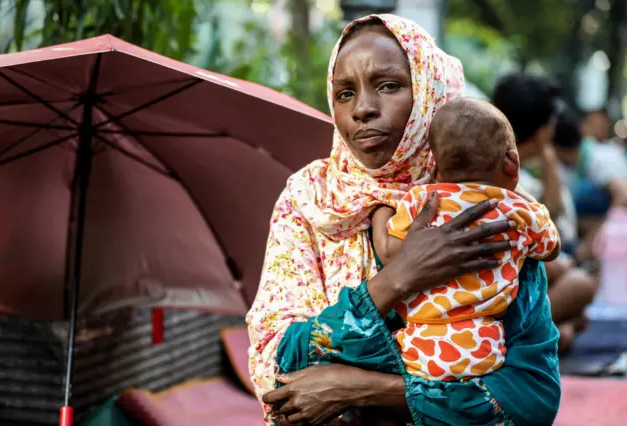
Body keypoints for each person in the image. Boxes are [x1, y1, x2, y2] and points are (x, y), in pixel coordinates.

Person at [247, 15, 561, 426]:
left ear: (430, 91)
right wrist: (396, 281)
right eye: (344, 93)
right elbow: (275, 371)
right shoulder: (308, 201)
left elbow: (533, 397)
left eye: (389, 85)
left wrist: (358, 387)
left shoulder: (485, 206)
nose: (362, 109)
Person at [371, 98, 560, 386]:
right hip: (482, 350)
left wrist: (379, 210)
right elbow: (552, 247)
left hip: (418, 347)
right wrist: (520, 193)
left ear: (437, 166)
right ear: (511, 163)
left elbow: (391, 252)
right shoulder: (518, 212)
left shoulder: (421, 200)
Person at [492, 73, 596, 351]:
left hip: (499, 289)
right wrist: (565, 265)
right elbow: (547, 242)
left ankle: (550, 334)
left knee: (574, 313)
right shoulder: (506, 176)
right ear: (544, 130)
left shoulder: (493, 163)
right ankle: (530, 339)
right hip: (497, 296)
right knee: (581, 284)